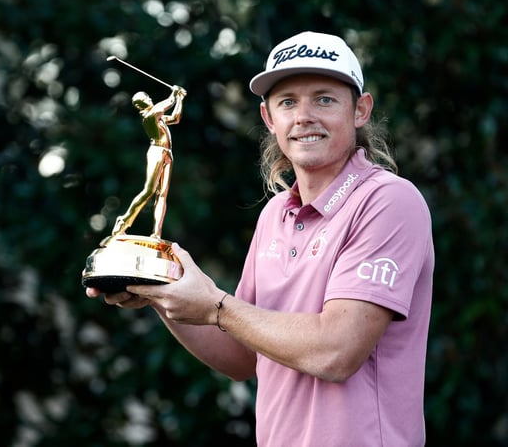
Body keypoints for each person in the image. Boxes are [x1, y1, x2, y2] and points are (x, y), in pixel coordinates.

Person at [86, 31, 434, 447]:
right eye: (288, 102)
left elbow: (336, 351)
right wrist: (161, 289)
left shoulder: (389, 200)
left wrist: (216, 305)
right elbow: (241, 356)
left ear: (360, 110)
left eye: (324, 98)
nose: (304, 115)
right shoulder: (275, 215)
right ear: (269, 118)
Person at [112, 86, 187, 239]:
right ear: (140, 105)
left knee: (162, 195)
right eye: (145, 99)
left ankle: (157, 233)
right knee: (149, 191)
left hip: (168, 154)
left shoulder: (159, 117)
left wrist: (180, 99)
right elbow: (167, 103)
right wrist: (174, 94)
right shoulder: (150, 116)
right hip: (157, 152)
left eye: (147, 96)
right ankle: (123, 221)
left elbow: (175, 118)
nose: (149, 99)